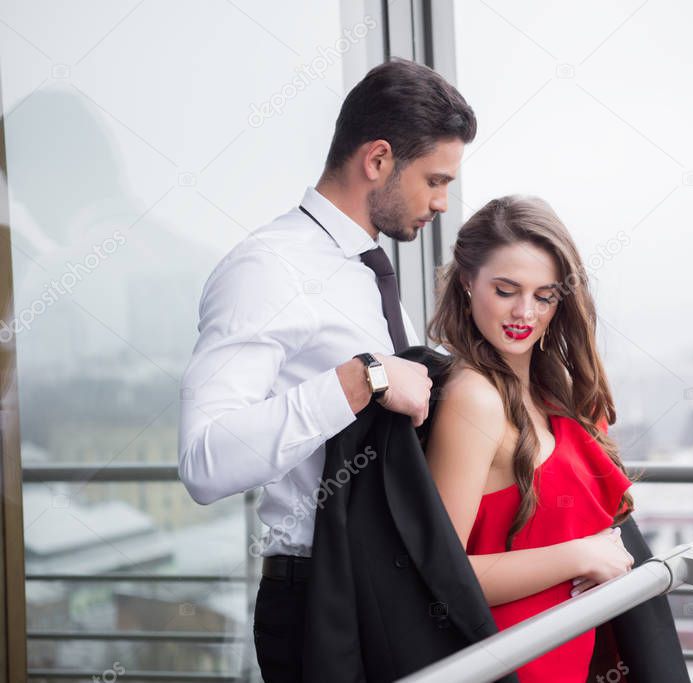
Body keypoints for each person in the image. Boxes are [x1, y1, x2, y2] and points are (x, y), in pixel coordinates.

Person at [176, 58, 476, 682]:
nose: (443, 203)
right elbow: (205, 462)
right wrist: (360, 379)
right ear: (378, 159)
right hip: (317, 601)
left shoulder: (366, 272)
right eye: (435, 180)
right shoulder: (266, 268)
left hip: (387, 591)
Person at [424, 195, 638, 682]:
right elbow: (442, 575)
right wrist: (582, 554)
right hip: (509, 662)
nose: (525, 312)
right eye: (506, 290)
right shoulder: (472, 399)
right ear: (466, 280)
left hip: (569, 653)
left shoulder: (554, 389)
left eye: (544, 296)